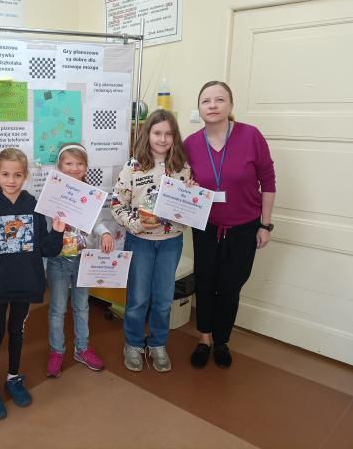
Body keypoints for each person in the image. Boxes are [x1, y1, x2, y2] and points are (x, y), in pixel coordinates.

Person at [183, 81, 276, 369]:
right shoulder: (191, 143)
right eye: (206, 101)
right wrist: (187, 186)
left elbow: (268, 181)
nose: (212, 105)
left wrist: (265, 225)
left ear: (230, 105)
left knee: (230, 286)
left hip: (244, 227)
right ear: (199, 108)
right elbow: (183, 180)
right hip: (206, 226)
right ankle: (204, 338)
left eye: (219, 99)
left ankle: (222, 340)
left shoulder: (251, 136)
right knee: (205, 282)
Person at [0, 148, 65, 419]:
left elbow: (47, 249)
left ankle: (13, 376)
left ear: (25, 176)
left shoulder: (33, 206)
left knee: (17, 331)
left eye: (17, 175)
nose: (11, 180)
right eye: (5, 174)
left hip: (27, 281)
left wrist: (58, 232)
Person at [110, 109, 191, 373]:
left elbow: (188, 205)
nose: (163, 139)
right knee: (138, 298)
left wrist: (192, 198)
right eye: (157, 133)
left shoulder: (183, 167)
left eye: (168, 133)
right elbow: (116, 204)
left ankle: (158, 343)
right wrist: (135, 223)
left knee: (164, 299)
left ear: (175, 136)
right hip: (140, 242)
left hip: (171, 242)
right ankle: (133, 343)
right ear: (148, 134)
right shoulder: (133, 167)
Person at [45, 143, 113, 377]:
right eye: (69, 163)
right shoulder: (52, 192)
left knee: (82, 306)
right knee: (57, 309)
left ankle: (82, 348)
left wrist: (105, 233)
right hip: (58, 260)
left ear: (86, 167)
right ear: (59, 166)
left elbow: (96, 221)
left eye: (79, 164)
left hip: (84, 259)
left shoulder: (90, 193)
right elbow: (46, 227)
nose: (74, 168)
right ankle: (57, 351)